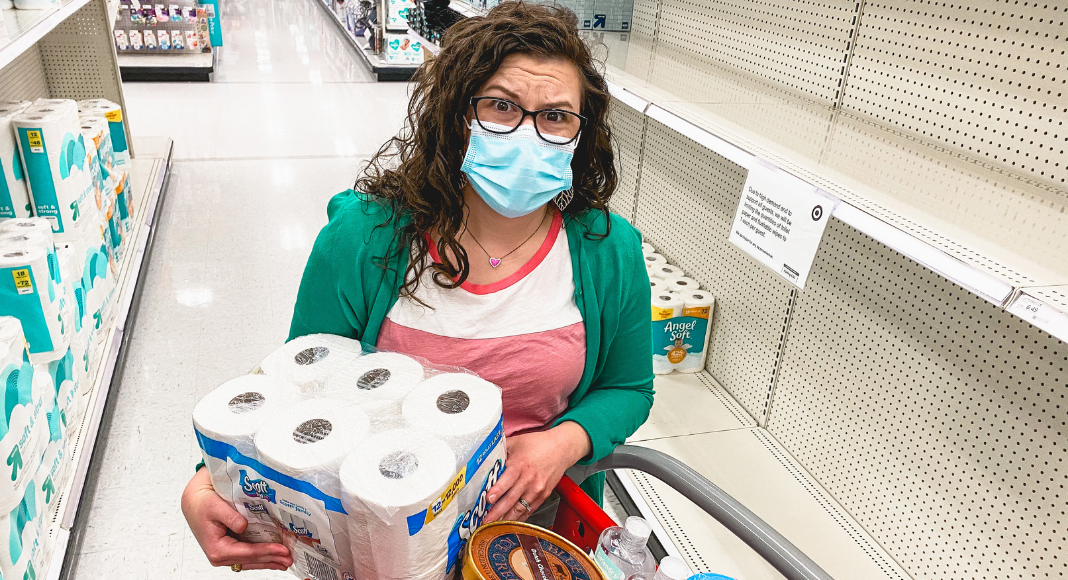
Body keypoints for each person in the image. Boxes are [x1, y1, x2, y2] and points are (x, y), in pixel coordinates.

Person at [181, 1, 653, 572]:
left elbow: (628, 388)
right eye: (501, 107)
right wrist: (208, 482)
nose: (529, 134)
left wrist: (567, 440)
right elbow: (299, 385)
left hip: (530, 544)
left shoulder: (608, 250)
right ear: (457, 115)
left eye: (555, 116)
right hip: (378, 543)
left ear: (582, 133)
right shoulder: (365, 237)